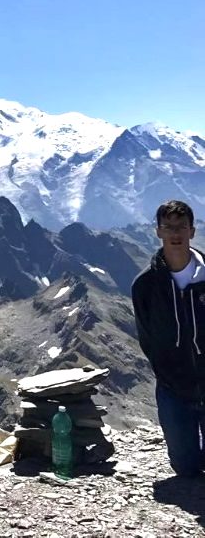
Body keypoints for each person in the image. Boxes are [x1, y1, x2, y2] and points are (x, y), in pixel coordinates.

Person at [132, 200, 205, 477]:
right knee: (185, 469)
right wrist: (168, 373)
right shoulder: (146, 285)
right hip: (174, 389)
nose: (175, 233)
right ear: (158, 232)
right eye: (168, 227)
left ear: (192, 231)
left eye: (181, 227)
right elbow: (147, 339)